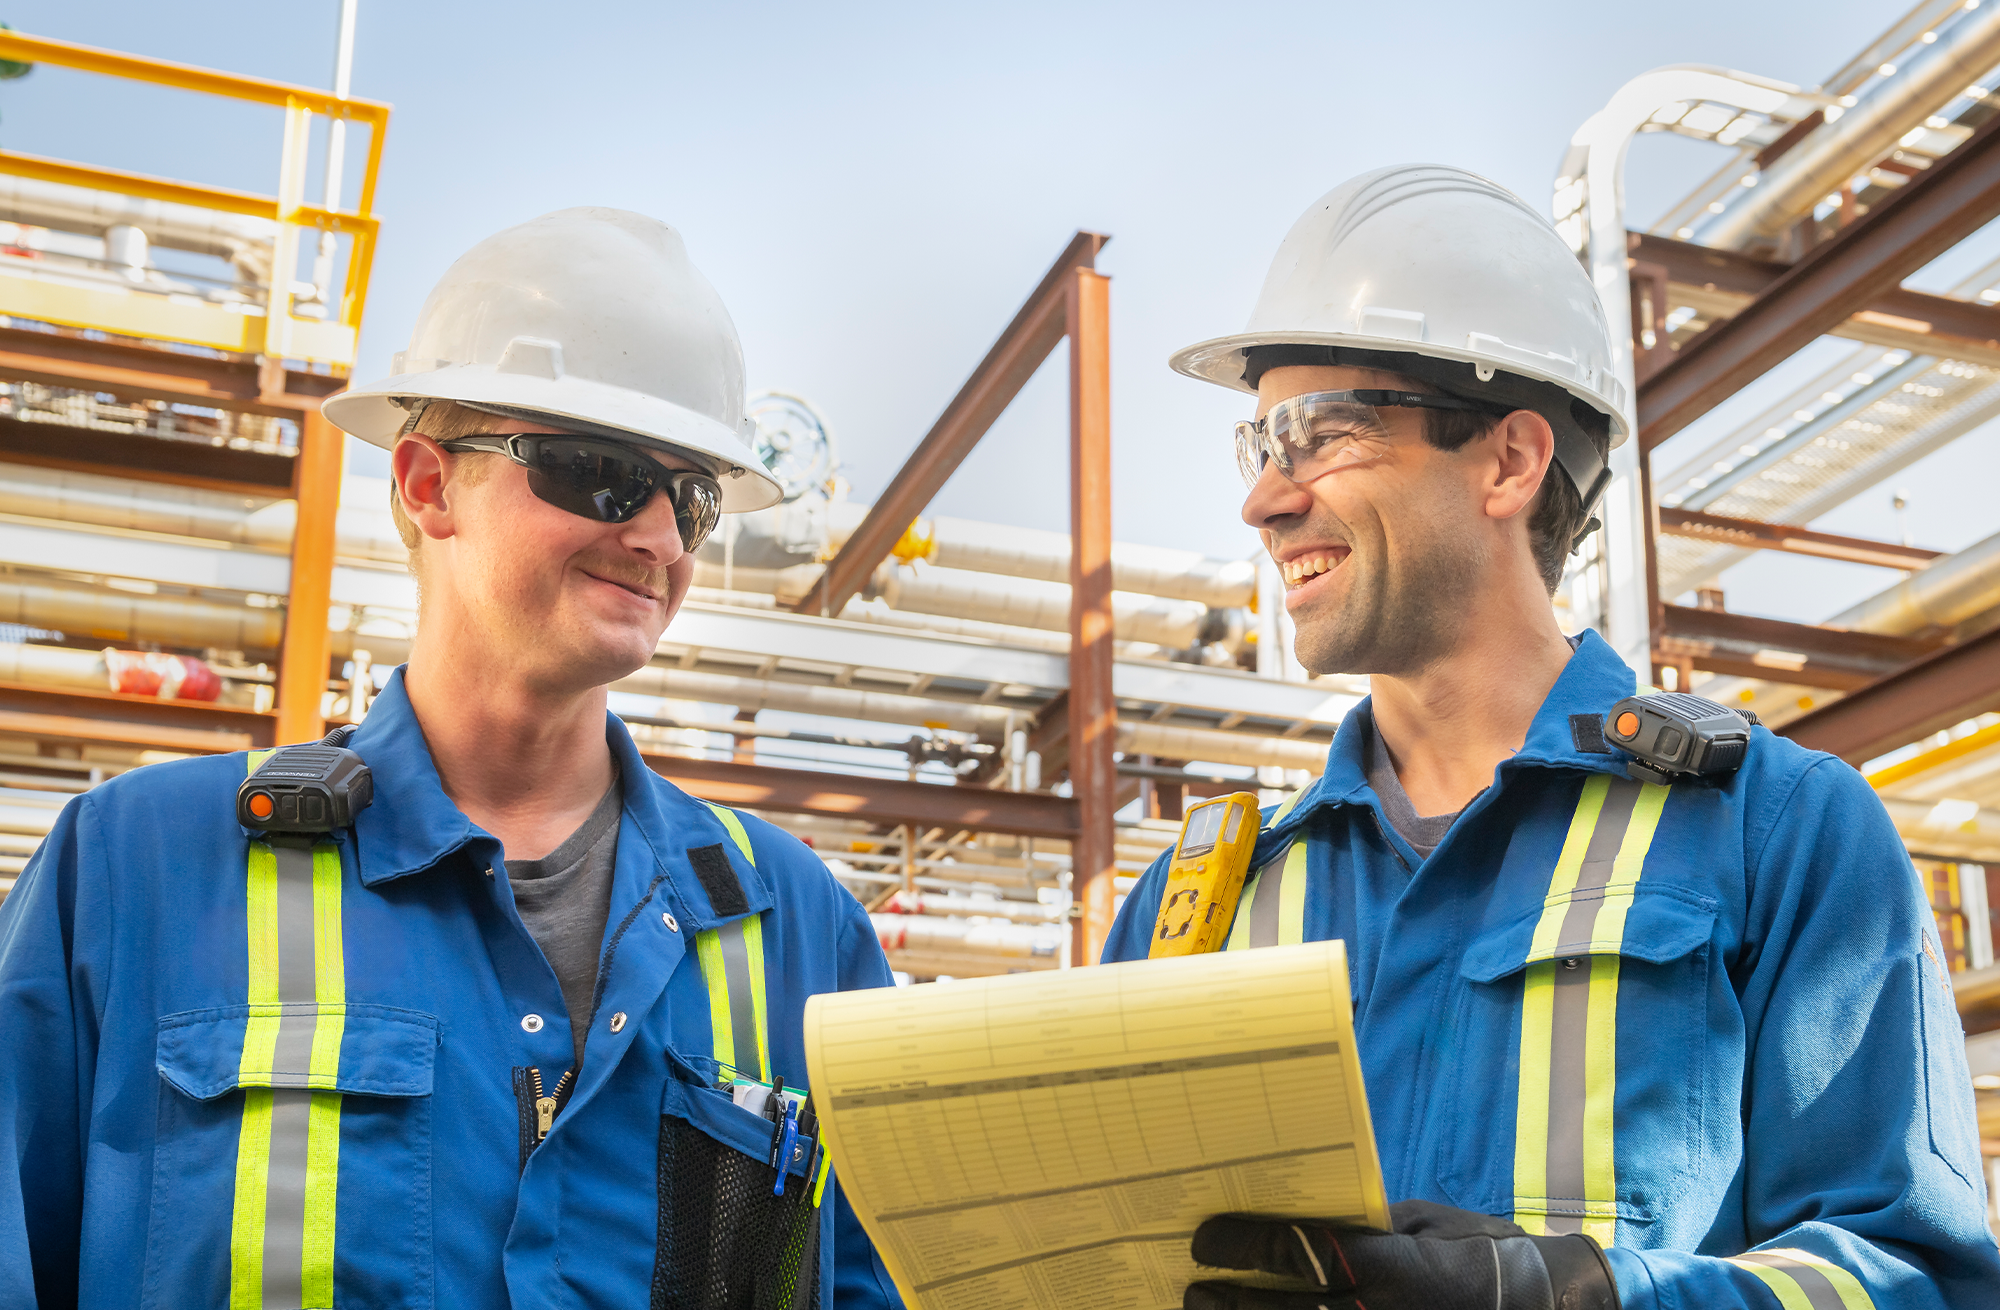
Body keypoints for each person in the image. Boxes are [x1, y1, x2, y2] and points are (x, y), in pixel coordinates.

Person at [1101, 166, 2000, 1309]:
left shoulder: (1772, 833)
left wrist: (1578, 1294)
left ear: (1509, 461)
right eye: (1259, 445)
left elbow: (1915, 1279)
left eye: (1320, 435)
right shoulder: (1196, 913)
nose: (1264, 501)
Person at [0, 208, 902, 1309]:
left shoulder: (799, 928)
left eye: (694, 498)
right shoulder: (140, 871)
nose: (662, 539)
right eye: (607, 475)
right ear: (428, 484)